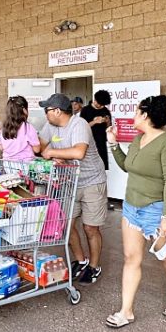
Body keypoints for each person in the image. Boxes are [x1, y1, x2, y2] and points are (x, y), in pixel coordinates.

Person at [104, 95, 166, 328]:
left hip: (157, 210)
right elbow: (127, 166)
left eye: (135, 112)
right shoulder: (137, 139)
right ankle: (126, 311)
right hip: (131, 208)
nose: (132, 116)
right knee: (131, 258)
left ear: (145, 115)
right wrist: (112, 144)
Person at [39, 94, 107, 285]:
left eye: (48, 110)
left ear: (58, 111)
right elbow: (40, 148)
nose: (46, 114)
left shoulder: (79, 124)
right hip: (69, 182)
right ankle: (81, 260)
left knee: (90, 227)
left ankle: (94, 266)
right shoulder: (50, 126)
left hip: (92, 181)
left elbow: (79, 152)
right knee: (66, 225)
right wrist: (51, 157)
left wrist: (52, 152)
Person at [0, 96, 40, 162]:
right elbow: (37, 149)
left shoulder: (3, 129)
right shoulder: (27, 128)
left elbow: (1, 148)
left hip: (8, 165)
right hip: (25, 165)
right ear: (24, 110)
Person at [80, 90, 112, 170]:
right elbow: (81, 127)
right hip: (89, 143)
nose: (101, 106)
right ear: (95, 100)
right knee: (90, 167)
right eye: (100, 104)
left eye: (103, 105)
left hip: (101, 143)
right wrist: (94, 122)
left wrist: (108, 122)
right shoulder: (85, 110)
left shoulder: (105, 111)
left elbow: (108, 128)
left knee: (103, 167)